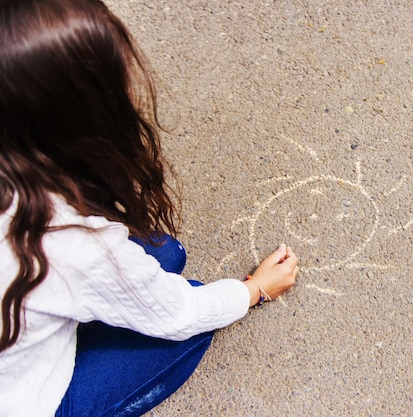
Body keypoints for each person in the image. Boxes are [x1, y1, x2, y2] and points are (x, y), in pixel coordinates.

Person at [0, 0, 299, 416]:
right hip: (25, 400)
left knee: (165, 254)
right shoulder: (71, 242)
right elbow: (180, 313)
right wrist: (255, 290)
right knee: (194, 322)